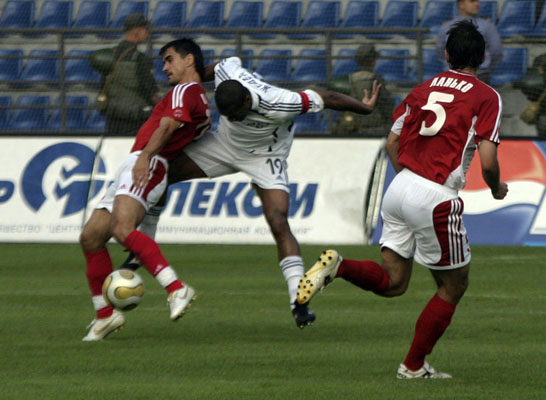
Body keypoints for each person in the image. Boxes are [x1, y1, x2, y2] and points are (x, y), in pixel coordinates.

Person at [297, 20, 508, 379]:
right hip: (435, 196)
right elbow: (488, 161)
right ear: (483, 56)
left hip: (400, 187)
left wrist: (408, 181)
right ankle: (412, 366)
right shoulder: (486, 96)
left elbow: (392, 142)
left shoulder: (421, 89)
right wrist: (495, 187)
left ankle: (339, 267)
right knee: (454, 286)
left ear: (446, 54)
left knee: (395, 282)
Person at [123, 56, 381, 329]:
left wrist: (364, 108)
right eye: (229, 116)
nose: (234, 118)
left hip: (266, 156)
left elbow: (328, 97)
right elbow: (209, 69)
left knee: (278, 221)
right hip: (224, 145)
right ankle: (142, 248)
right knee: (162, 168)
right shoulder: (227, 73)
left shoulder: (281, 102)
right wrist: (187, 78)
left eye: (237, 114)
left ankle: (298, 300)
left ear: (248, 100)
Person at [80, 38, 210, 341]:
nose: (164, 67)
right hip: (138, 161)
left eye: (169, 59)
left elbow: (168, 126)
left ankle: (176, 288)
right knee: (91, 237)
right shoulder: (197, 98)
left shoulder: (186, 90)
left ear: (189, 60)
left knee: (122, 229)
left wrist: (147, 157)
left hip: (148, 161)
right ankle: (105, 315)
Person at [100, 13, 160, 136]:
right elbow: (150, 92)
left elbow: (103, 86)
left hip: (113, 119)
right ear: (137, 31)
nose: (148, 34)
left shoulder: (109, 55)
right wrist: (163, 108)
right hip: (136, 121)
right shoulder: (140, 59)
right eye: (146, 30)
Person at [327, 44, 394, 135]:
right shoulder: (376, 79)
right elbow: (386, 105)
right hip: (374, 129)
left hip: (351, 129)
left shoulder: (348, 80)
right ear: (372, 62)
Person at [436, 0, 503, 83]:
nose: (477, 4)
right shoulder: (446, 26)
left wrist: (485, 69)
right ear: (461, 4)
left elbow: (496, 52)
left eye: (477, 1)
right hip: (452, 77)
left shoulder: (487, 25)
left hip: (480, 75)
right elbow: (440, 50)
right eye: (472, 1)